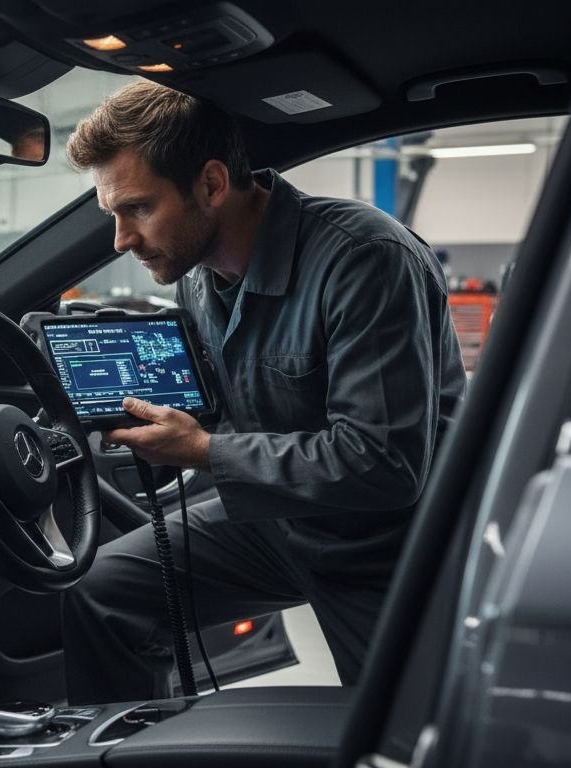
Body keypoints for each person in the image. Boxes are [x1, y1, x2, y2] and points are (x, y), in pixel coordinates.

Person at [60, 81, 467, 704]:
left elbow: (384, 466)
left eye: (137, 208)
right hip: (278, 521)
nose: (121, 239)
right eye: (112, 214)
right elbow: (223, 415)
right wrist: (152, 431)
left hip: (388, 545)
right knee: (103, 592)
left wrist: (203, 451)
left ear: (213, 184)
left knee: (400, 731)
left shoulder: (364, 258)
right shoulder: (196, 278)